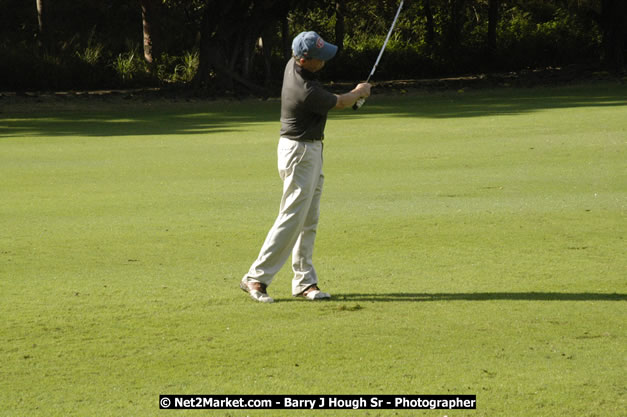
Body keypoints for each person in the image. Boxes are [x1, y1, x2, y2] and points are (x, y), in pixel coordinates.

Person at [240, 31, 371, 303]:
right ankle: (257, 277)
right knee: (291, 217)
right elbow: (340, 102)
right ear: (303, 59)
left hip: (308, 150)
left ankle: (304, 281)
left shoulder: (294, 67)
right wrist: (359, 93)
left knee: (308, 218)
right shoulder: (306, 89)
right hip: (300, 152)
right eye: (318, 57)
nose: (324, 61)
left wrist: (354, 96)